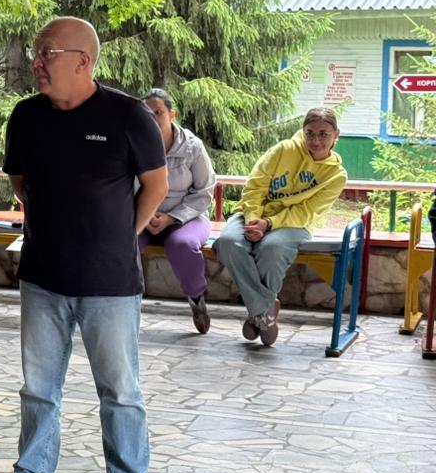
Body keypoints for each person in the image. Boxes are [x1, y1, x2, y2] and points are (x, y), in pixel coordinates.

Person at [0, 17, 168, 473]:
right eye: (36, 52)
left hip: (110, 281)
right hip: (42, 275)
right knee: (38, 387)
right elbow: (21, 183)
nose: (37, 62)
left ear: (83, 61)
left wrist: (119, 235)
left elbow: (156, 186)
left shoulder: (128, 115)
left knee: (120, 390)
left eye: (48, 53)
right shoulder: (26, 116)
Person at [214, 108, 348, 346]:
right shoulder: (283, 150)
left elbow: (307, 211)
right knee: (227, 242)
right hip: (252, 214)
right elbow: (255, 186)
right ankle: (265, 308)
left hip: (293, 224)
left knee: (272, 248)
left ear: (336, 135)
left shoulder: (336, 175)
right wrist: (254, 219)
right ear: (303, 131)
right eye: (310, 133)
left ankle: (257, 313)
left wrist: (269, 224)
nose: (316, 140)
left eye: (323, 134)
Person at [139, 89, 217, 333]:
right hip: (143, 215)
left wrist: (172, 217)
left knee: (182, 244)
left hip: (187, 216)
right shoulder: (133, 145)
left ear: (171, 114)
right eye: (147, 114)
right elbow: (122, 187)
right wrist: (145, 215)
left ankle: (197, 299)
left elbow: (205, 191)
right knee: (122, 242)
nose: (153, 119)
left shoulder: (192, 147)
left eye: (158, 112)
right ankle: (126, 301)